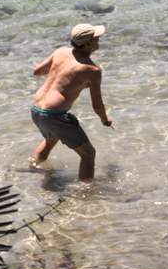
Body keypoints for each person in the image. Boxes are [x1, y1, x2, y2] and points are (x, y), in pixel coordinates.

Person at [29, 22, 113, 182]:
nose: (99, 40)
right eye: (97, 38)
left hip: (36, 109)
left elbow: (37, 71)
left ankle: (33, 169)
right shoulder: (92, 70)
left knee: (51, 139)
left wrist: (62, 74)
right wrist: (105, 119)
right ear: (88, 43)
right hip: (54, 115)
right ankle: (86, 192)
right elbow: (97, 105)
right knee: (88, 154)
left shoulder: (61, 52)